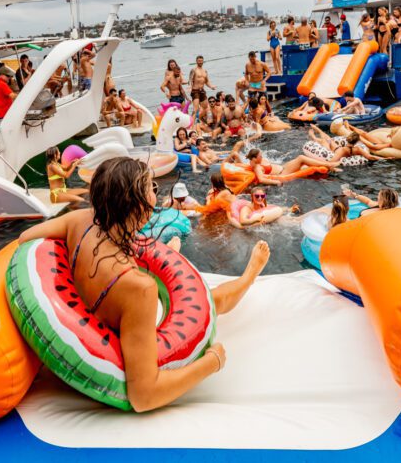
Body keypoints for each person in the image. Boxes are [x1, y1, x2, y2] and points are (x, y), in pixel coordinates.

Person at [19, 158, 275, 411]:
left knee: (199, 289)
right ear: (135, 206)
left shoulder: (81, 220)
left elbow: (25, 238)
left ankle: (241, 274)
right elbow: (144, 395)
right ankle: (249, 276)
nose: (155, 194)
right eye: (150, 189)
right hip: (117, 331)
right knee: (210, 301)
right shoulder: (138, 288)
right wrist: (212, 362)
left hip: (91, 303)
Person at [245, 147, 337, 186]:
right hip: (282, 173)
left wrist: (236, 157)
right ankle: (329, 164)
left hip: (282, 167)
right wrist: (276, 182)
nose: (262, 157)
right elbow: (261, 179)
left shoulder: (254, 161)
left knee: (304, 164)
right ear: (254, 158)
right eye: (260, 156)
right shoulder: (257, 167)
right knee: (301, 158)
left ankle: (329, 167)